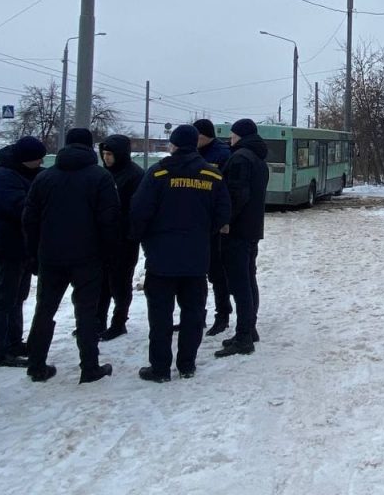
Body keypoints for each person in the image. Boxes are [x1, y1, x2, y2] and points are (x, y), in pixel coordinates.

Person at [130, 124, 231, 382]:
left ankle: (160, 368)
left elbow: (139, 212)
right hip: (196, 258)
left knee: (160, 316)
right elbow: (223, 213)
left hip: (161, 259)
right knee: (193, 314)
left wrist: (146, 239)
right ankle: (187, 364)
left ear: (173, 145)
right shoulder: (213, 176)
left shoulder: (158, 173)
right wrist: (202, 232)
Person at [22, 128, 120, 384]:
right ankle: (90, 368)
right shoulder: (100, 177)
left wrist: (33, 253)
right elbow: (109, 220)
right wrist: (109, 254)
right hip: (88, 256)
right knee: (87, 312)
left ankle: (35, 365)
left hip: (50, 256)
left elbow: (29, 219)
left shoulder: (45, 178)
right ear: (90, 148)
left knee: (44, 309)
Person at [0, 135, 46, 368]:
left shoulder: (25, 172)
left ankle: (14, 342)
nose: (40, 163)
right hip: (7, 244)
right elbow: (20, 207)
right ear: (26, 159)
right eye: (37, 160)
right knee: (4, 298)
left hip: (22, 245)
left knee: (18, 297)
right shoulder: (3, 176)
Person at [215, 118, 269, 358]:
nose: (230, 138)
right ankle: (250, 328)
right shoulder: (258, 159)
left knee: (240, 284)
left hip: (236, 230)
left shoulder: (239, 158)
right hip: (252, 228)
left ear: (240, 135)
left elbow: (237, 194)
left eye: (233, 134)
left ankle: (244, 336)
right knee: (248, 278)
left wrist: (225, 221)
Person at [96, 134, 144, 341]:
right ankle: (98, 321)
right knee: (101, 283)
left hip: (124, 238)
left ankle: (119, 321)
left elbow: (137, 208)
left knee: (120, 283)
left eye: (110, 154)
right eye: (104, 154)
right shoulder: (101, 174)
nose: (107, 158)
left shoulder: (135, 175)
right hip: (103, 238)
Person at [194, 119, 233, 336]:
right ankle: (196, 315)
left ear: (206, 136)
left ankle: (223, 315)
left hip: (214, 225)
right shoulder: (192, 153)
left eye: (197, 136)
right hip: (196, 223)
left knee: (217, 273)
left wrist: (223, 221)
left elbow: (224, 192)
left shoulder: (221, 154)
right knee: (195, 273)